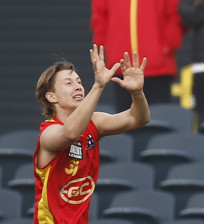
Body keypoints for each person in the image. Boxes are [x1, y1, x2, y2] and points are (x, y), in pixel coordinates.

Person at [33, 45, 150, 223]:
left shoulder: (94, 123)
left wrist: (137, 93)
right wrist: (98, 85)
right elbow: (70, 133)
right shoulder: (48, 134)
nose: (78, 87)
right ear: (52, 97)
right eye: (69, 83)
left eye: (79, 81)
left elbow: (139, 118)